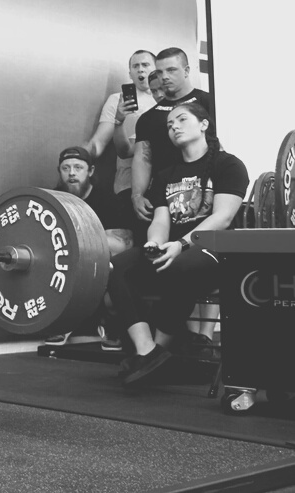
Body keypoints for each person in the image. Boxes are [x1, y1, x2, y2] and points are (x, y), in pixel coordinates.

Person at [107, 102, 248, 386]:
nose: (174, 127)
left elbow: (223, 217)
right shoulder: (166, 174)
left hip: (213, 249)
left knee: (178, 267)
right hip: (173, 247)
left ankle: (160, 350)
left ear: (204, 125)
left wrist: (181, 244)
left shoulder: (228, 164)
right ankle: (148, 351)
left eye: (182, 120)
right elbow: (160, 220)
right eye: (170, 125)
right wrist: (154, 243)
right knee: (119, 266)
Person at [43, 146, 132, 349]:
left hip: (98, 267)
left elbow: (122, 245)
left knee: (116, 267)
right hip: (62, 264)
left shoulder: (108, 201)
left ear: (90, 171)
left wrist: (78, 238)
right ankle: (61, 322)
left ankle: (109, 325)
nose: (72, 173)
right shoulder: (53, 200)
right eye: (65, 168)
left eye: (78, 167)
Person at [130, 47, 215, 224]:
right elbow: (143, 158)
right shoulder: (148, 118)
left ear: (187, 71)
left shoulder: (210, 103)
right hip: (166, 196)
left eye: (171, 70)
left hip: (208, 188)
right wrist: (137, 194)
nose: (165, 77)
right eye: (160, 72)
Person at [84, 50, 157, 241]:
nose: (141, 70)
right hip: (128, 185)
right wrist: (80, 155)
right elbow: (100, 142)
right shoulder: (118, 100)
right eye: (135, 66)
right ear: (130, 73)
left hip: (162, 183)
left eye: (146, 65)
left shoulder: (168, 100)